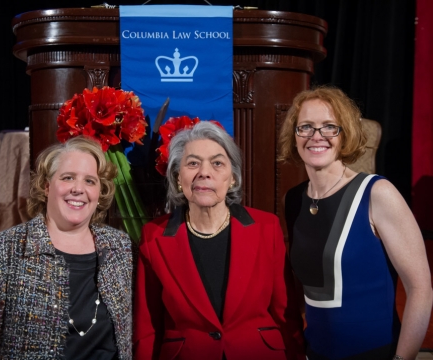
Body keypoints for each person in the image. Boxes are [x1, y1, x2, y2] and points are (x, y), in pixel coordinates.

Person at [278, 85, 433, 360]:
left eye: (329, 127)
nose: (317, 136)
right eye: (306, 127)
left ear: (344, 133)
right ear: (294, 135)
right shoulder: (293, 200)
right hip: (314, 352)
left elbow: (420, 289)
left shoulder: (377, 193)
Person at [133, 121, 305, 360]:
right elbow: (147, 327)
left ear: (232, 178)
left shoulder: (267, 228)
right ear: (178, 177)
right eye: (193, 163)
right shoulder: (153, 236)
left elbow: (286, 314)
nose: (204, 172)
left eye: (217, 163)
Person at [0, 136, 133, 359]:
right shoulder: (5, 251)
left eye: (90, 181)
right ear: (47, 187)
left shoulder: (119, 248)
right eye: (68, 178)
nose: (78, 189)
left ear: (99, 192)